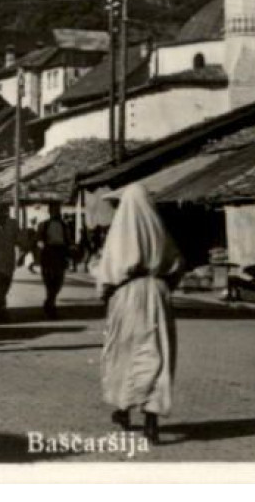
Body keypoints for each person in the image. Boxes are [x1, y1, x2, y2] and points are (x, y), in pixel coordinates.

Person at [96, 185, 182, 445]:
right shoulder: (159, 230)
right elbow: (176, 263)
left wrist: (105, 293)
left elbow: (110, 271)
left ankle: (123, 408)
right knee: (156, 353)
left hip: (127, 294)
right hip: (157, 293)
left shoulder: (121, 232)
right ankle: (151, 421)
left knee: (124, 351)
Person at [37, 204, 73, 319]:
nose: (57, 213)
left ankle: (49, 301)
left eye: (58, 211)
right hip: (48, 253)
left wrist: (70, 251)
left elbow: (68, 240)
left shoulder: (64, 225)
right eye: (54, 211)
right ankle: (51, 306)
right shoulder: (43, 225)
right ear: (50, 212)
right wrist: (42, 247)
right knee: (49, 281)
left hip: (60, 253)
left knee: (59, 281)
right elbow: (38, 239)